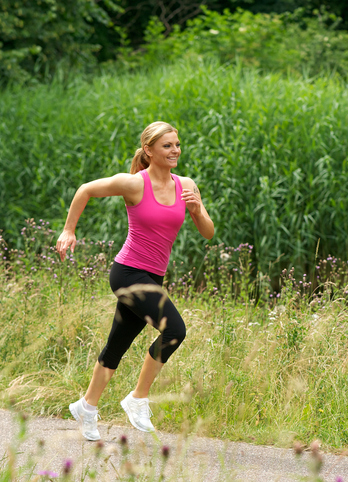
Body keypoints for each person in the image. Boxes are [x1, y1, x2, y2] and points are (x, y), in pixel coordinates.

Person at [56, 121, 214, 441]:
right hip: (128, 273)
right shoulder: (133, 184)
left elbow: (208, 232)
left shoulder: (186, 185)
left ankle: (87, 406)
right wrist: (69, 230)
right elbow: (85, 189)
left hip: (153, 275)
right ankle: (137, 399)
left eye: (177, 144)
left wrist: (197, 210)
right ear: (149, 151)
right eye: (167, 146)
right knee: (174, 330)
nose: (175, 151)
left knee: (117, 344)